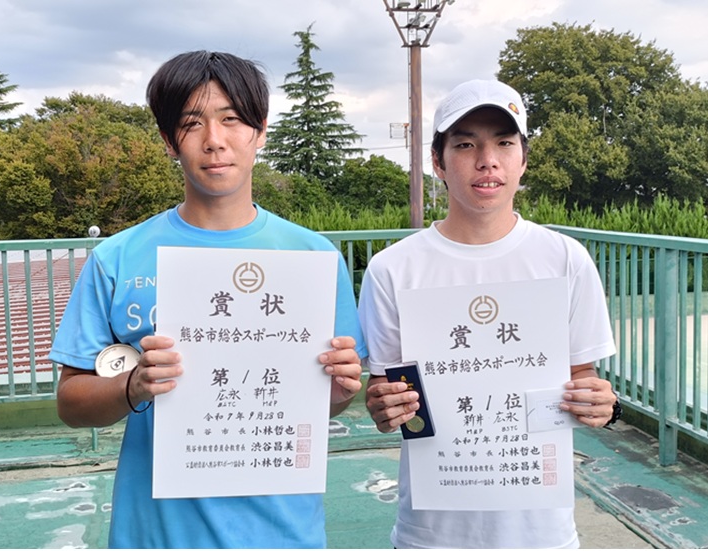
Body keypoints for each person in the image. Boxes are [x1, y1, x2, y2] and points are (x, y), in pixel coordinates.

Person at [51, 50, 366, 549]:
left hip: (283, 533)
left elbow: (326, 401)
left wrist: (344, 386)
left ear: (260, 131)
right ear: (167, 141)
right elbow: (72, 402)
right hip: (156, 535)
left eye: (232, 119)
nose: (214, 139)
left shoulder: (312, 257)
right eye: (191, 123)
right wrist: (134, 384)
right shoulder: (118, 257)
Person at [358, 79, 618, 549]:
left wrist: (601, 403)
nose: (487, 160)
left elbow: (583, 375)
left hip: (541, 533)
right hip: (430, 534)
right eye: (465, 144)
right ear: (438, 161)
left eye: (504, 143)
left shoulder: (565, 259)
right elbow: (386, 389)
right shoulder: (392, 269)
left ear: (523, 159)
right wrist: (383, 404)